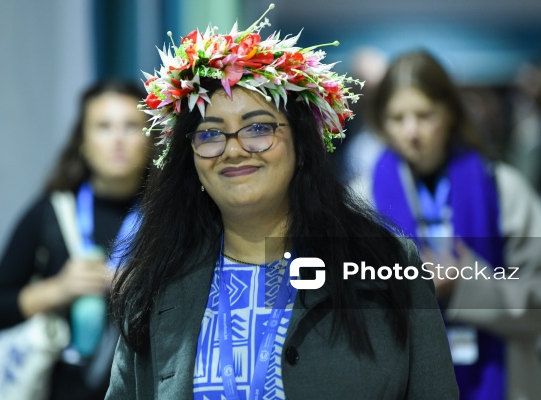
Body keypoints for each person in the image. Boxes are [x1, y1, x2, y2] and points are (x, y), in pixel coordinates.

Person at [106, 6, 458, 399]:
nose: (234, 150)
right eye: (210, 134)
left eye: (258, 128)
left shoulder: (389, 263)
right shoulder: (157, 281)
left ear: (303, 148)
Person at [354, 50, 541, 399]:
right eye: (397, 118)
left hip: (504, 380)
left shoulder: (504, 189)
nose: (412, 132)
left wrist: (466, 285)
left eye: (425, 115)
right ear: (381, 122)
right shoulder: (362, 201)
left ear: (451, 114)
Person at [0, 80, 154, 400]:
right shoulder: (50, 213)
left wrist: (144, 287)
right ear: (83, 142)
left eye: (131, 126)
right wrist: (60, 289)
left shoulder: (170, 218)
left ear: (152, 138)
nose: (117, 140)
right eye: (103, 127)